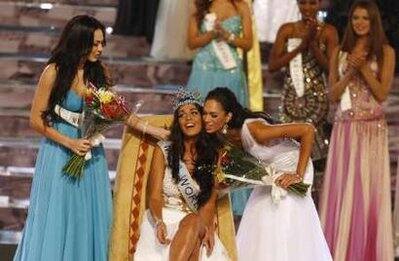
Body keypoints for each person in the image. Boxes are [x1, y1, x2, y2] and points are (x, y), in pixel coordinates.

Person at [13, 15, 167, 261]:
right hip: (60, 151)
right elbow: (36, 120)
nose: (100, 48)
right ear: (79, 41)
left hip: (90, 153)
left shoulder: (99, 73)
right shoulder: (53, 72)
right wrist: (70, 142)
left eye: (102, 43)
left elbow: (119, 111)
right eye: (95, 43)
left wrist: (151, 129)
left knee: (87, 213)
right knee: (60, 214)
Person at [203, 87, 332, 260]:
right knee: (259, 217)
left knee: (283, 222)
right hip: (269, 174)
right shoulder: (224, 136)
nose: (206, 120)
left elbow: (307, 130)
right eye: (205, 114)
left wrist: (298, 175)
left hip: (292, 167)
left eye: (213, 115)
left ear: (228, 117)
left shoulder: (256, 130)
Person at [319, 1, 395, 260]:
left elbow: (382, 93)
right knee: (342, 192)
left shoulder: (385, 52)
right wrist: (351, 69)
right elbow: (333, 94)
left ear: (374, 22)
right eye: (355, 18)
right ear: (350, 21)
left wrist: (363, 67)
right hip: (344, 130)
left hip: (371, 130)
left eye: (365, 18)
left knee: (367, 193)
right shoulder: (340, 51)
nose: (360, 23)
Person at [134, 90, 229, 260]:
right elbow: (154, 196)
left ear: (203, 118)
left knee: (193, 221)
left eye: (194, 113)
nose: (188, 119)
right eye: (182, 115)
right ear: (177, 122)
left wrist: (206, 226)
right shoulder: (163, 149)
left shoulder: (215, 154)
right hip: (164, 218)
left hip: (198, 220)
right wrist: (158, 222)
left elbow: (209, 201)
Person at [187, 0, 253, 216]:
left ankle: (231, 192)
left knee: (229, 131)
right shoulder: (202, 5)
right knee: (197, 128)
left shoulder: (241, 6)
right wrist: (212, 35)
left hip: (230, 72)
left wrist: (228, 36)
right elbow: (191, 42)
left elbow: (248, 43)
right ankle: (194, 186)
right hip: (204, 71)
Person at [268, 0, 338, 161]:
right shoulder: (287, 29)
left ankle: (313, 183)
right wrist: (301, 47)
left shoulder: (328, 32)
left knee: (315, 146)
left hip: (317, 99)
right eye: (303, 3)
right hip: (291, 97)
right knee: (290, 148)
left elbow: (332, 70)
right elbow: (273, 66)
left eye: (312, 3)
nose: (307, 8)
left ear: (319, 4)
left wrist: (312, 44)